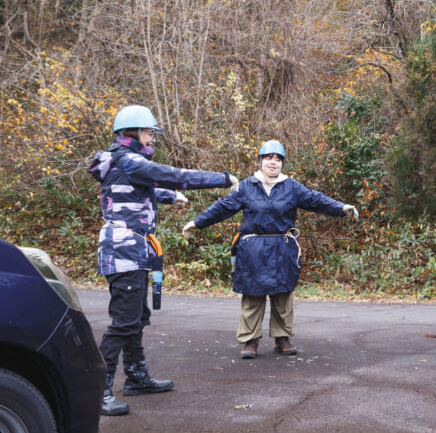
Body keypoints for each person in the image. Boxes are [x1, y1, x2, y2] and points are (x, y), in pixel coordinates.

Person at [89, 105, 238, 416]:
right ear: (130, 133)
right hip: (124, 251)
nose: (152, 137)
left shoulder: (125, 162)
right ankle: (98, 391)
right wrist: (223, 179)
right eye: (148, 132)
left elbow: (140, 189)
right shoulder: (130, 160)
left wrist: (170, 198)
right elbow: (176, 176)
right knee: (123, 323)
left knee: (136, 317)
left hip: (134, 250)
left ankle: (137, 377)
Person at [182, 140, 358, 359]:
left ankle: (282, 338)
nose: (273, 162)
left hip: (283, 248)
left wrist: (341, 208)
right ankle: (250, 340)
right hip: (253, 249)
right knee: (252, 295)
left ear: (282, 163)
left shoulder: (291, 187)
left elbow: (315, 200)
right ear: (260, 161)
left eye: (278, 158)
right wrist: (197, 223)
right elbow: (223, 208)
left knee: (283, 294)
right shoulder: (246, 186)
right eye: (268, 158)